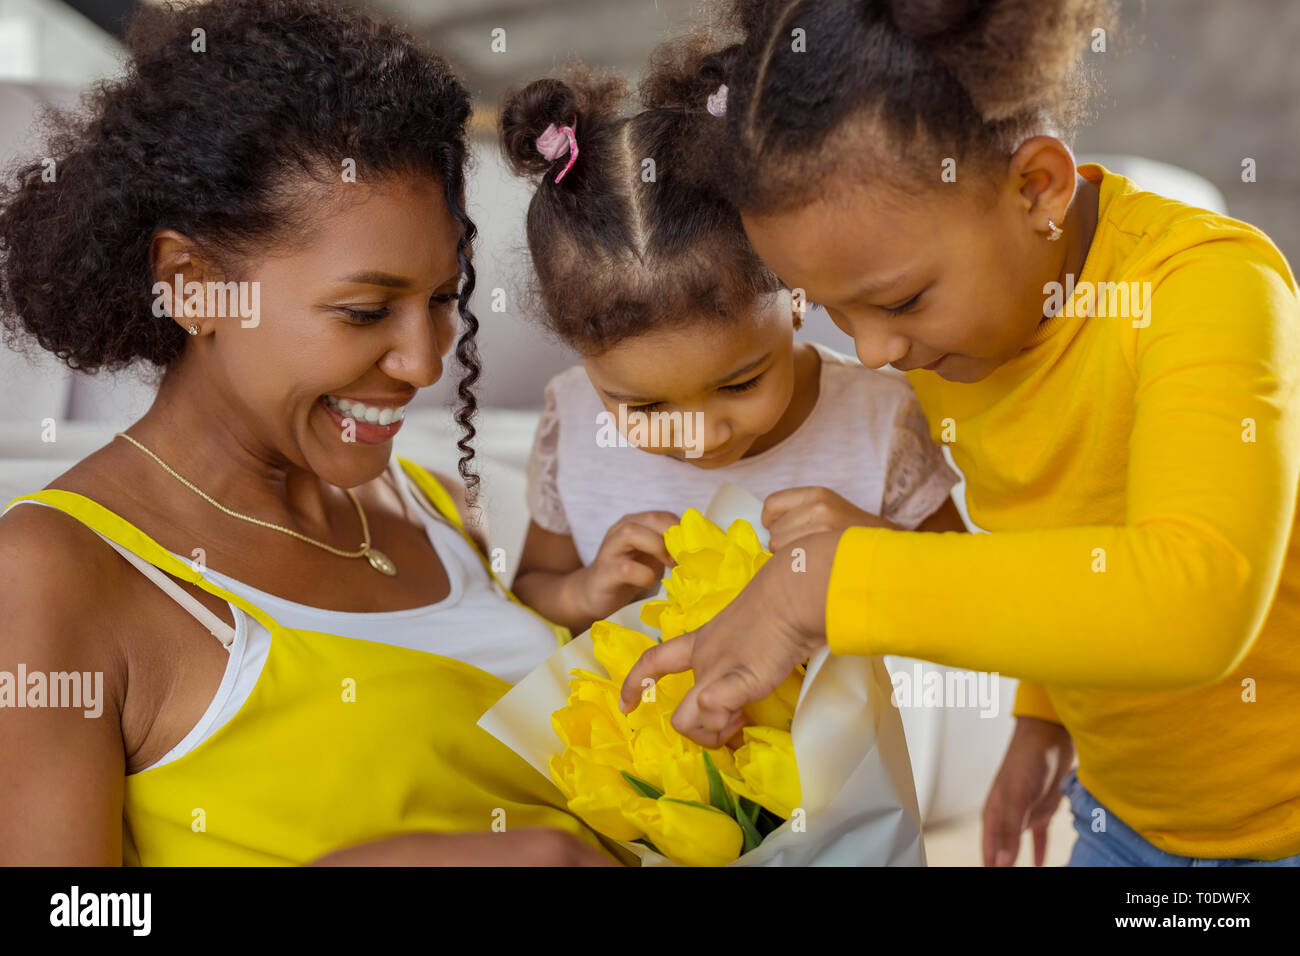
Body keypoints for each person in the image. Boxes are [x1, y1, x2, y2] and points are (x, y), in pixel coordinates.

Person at [620, 0, 1300, 867]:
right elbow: (1060, 542)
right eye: (831, 311)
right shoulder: (955, 343)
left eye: (900, 300)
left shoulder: (1206, 289)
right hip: (1125, 820)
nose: (875, 350)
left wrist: (826, 582)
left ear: (1037, 187)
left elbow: (1196, 598)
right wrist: (1042, 713)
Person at [0, 0, 612, 866]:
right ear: (192, 284)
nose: (423, 364)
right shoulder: (52, 571)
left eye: (443, 300)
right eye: (366, 311)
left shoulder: (426, 506)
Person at [500, 46, 967, 639]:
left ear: (797, 295)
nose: (705, 434)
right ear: (581, 354)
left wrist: (877, 555)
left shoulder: (879, 420)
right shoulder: (571, 422)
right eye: (643, 406)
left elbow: (966, 602)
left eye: (741, 382)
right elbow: (534, 590)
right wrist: (585, 590)